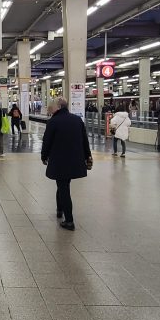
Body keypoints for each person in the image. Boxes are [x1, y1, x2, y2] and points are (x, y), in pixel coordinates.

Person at [41, 97, 92, 231]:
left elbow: (47, 141)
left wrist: (44, 156)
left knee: (63, 187)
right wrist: (88, 156)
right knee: (63, 184)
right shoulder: (77, 120)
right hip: (75, 160)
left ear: (58, 107)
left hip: (60, 161)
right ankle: (59, 210)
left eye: (52, 106)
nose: (50, 108)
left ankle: (69, 221)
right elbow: (84, 140)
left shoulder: (53, 122)